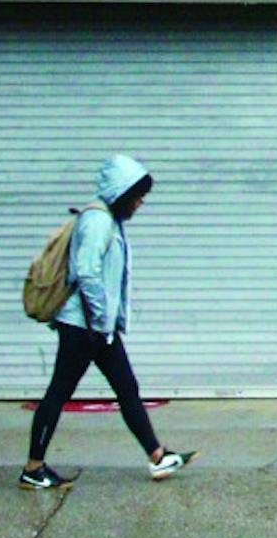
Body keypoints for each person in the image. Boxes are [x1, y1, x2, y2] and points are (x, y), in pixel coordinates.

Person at [20, 155, 197, 489]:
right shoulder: (98, 221)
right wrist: (101, 322)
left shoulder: (109, 221)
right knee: (59, 392)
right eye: (138, 197)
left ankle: (158, 456)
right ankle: (33, 467)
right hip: (83, 327)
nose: (141, 204)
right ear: (122, 192)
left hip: (97, 328)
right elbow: (85, 272)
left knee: (127, 388)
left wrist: (106, 326)